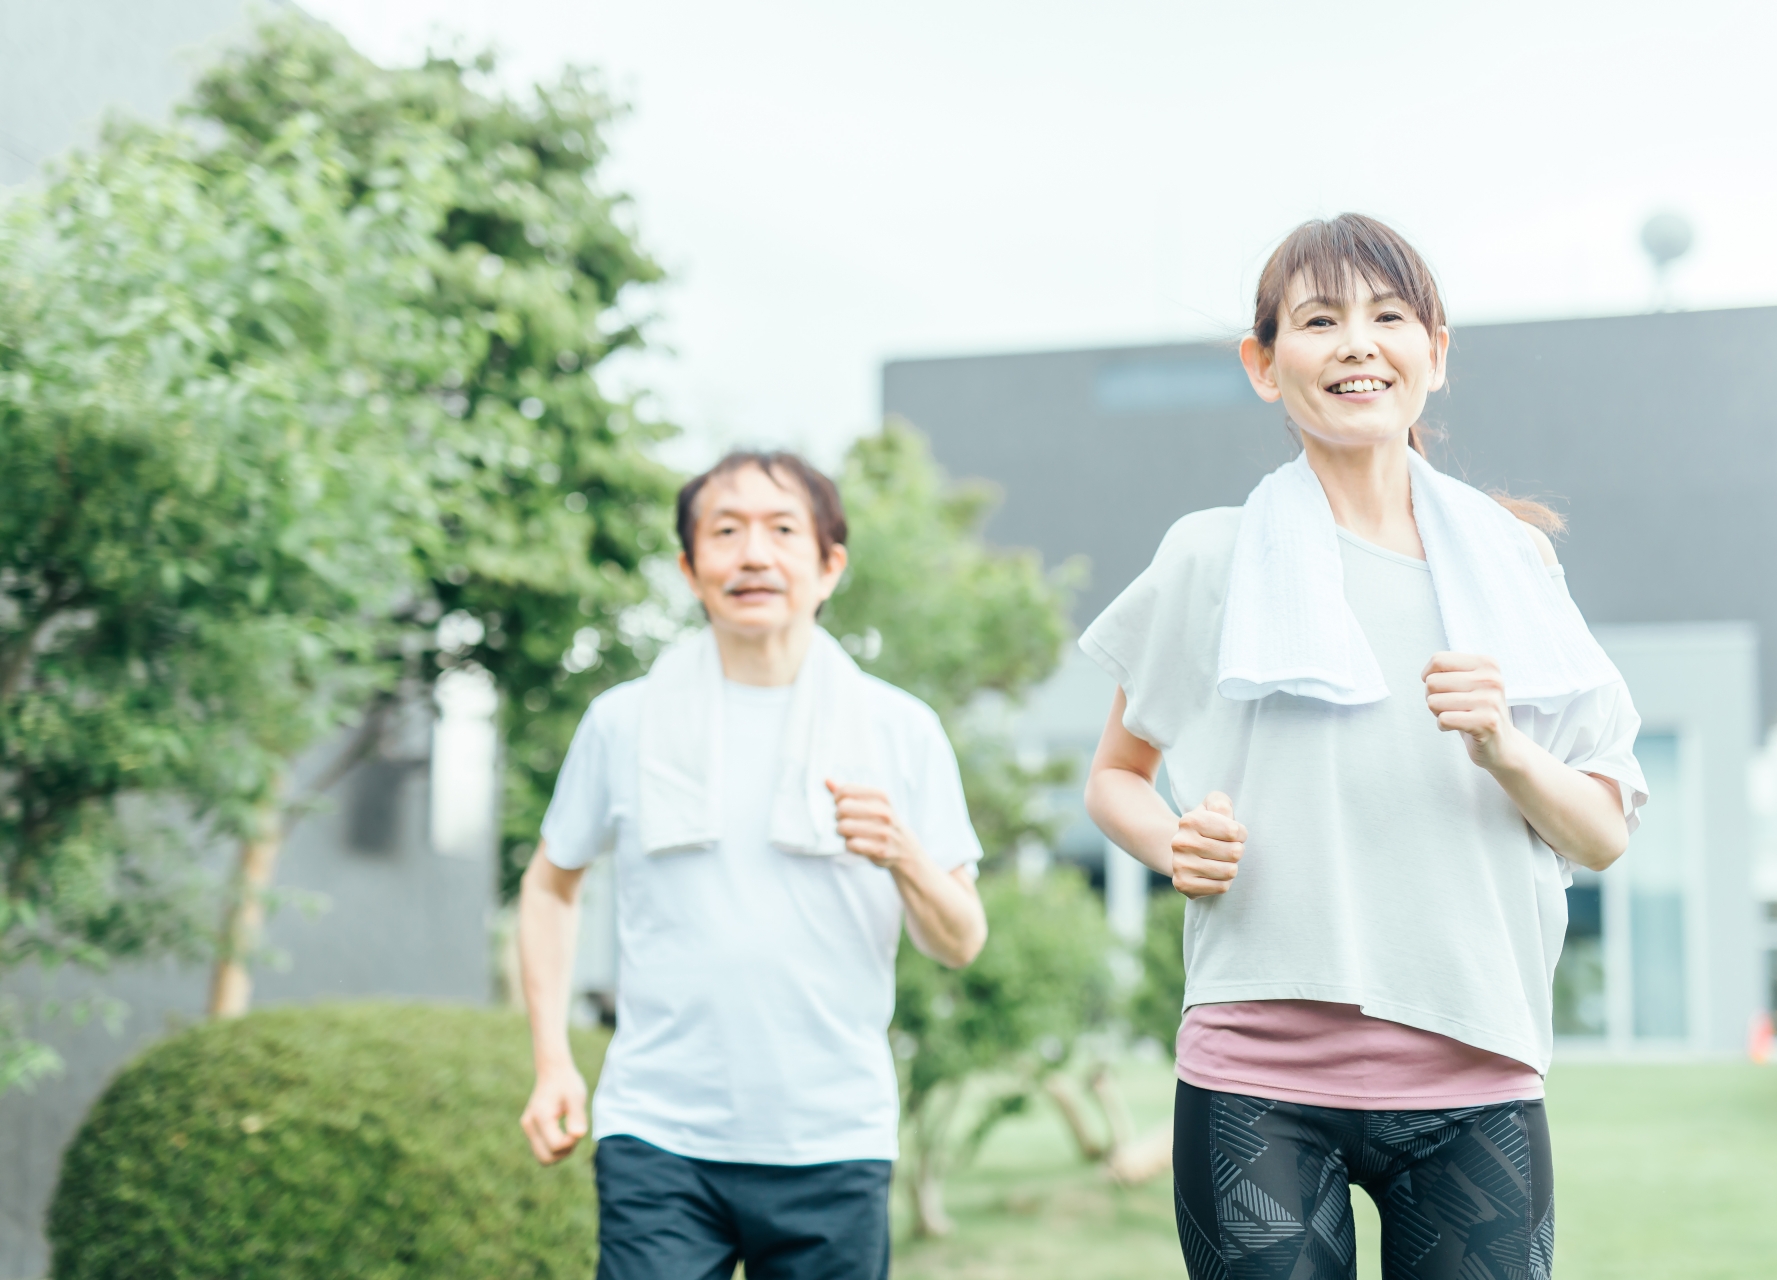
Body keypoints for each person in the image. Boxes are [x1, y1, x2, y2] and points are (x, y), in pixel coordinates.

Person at [1081, 214, 1647, 1280]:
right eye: (1319, 319)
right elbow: (1117, 777)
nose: (1356, 342)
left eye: (1388, 316)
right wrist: (1169, 843)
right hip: (1256, 1075)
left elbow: (1605, 828)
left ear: (1435, 352)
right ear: (1264, 362)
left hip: (1475, 1075)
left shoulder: (1512, 563)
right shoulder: (1212, 555)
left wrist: (1507, 748)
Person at [516, 450, 988, 1280]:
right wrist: (553, 1061)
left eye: (781, 530)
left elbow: (960, 942)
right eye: (725, 532)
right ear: (690, 568)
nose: (753, 555)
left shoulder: (899, 730)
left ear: (829, 563)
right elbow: (551, 885)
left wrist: (903, 852)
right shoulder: (621, 723)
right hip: (658, 1135)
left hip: (834, 1139)